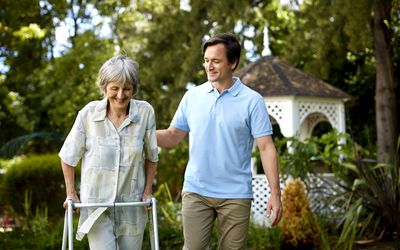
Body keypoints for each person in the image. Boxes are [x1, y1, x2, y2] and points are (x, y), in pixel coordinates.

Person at [157, 33, 282, 249]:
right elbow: (172, 136)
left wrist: (275, 194)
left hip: (235, 194)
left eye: (216, 61)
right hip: (196, 190)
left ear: (233, 63)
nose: (209, 66)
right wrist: (141, 132)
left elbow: (266, 147)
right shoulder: (192, 97)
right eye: (206, 60)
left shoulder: (252, 101)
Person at [59, 55, 158, 250]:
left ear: (133, 89)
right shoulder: (88, 114)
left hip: (131, 206)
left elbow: (152, 156)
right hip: (96, 207)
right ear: (105, 87)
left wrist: (148, 190)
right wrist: (71, 193)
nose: (120, 95)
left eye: (127, 88)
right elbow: (68, 156)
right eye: (115, 88)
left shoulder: (145, 113)